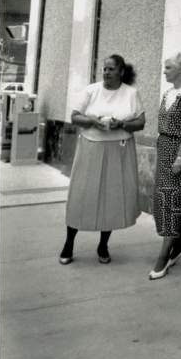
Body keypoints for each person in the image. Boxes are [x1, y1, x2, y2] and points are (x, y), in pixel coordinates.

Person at [59, 54, 146, 264]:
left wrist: (122, 125)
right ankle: (69, 243)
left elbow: (141, 122)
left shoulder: (131, 93)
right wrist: (92, 121)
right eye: (104, 69)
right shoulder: (91, 90)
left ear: (121, 72)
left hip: (120, 149)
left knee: (111, 197)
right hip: (91, 146)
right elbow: (74, 116)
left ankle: (103, 245)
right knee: (81, 195)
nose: (106, 72)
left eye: (111, 69)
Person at [149, 51, 181, 280]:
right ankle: (178, 246)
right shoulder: (168, 92)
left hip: (177, 151)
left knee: (171, 200)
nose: (164, 70)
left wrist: (180, 158)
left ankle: (163, 257)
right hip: (164, 149)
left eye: (168, 67)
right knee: (163, 198)